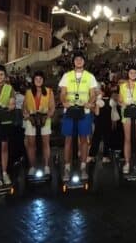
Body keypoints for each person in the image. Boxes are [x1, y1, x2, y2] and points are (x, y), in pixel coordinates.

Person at [58, 52, 98, 181]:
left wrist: (90, 102)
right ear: (73, 61)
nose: (79, 61)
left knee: (84, 139)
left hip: (84, 110)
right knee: (68, 139)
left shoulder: (90, 76)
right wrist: (64, 101)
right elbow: (63, 93)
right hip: (69, 109)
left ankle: (83, 166)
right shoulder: (67, 75)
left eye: (81, 59)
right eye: (76, 59)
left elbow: (93, 94)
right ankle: (67, 167)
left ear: (84, 61)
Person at [22, 71, 54, 176]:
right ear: (33, 80)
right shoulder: (28, 92)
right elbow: (24, 107)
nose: (38, 81)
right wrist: (27, 115)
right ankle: (32, 166)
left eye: (40, 79)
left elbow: (52, 107)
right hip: (31, 119)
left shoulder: (49, 91)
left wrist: (47, 116)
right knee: (31, 144)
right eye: (36, 79)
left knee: (46, 143)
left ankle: (46, 166)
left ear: (43, 80)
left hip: (45, 119)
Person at [118, 66, 136, 174]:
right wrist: (123, 103)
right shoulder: (123, 86)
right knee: (127, 138)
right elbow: (120, 100)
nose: (133, 74)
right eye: (131, 72)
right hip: (127, 111)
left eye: (135, 72)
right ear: (128, 73)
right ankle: (127, 163)